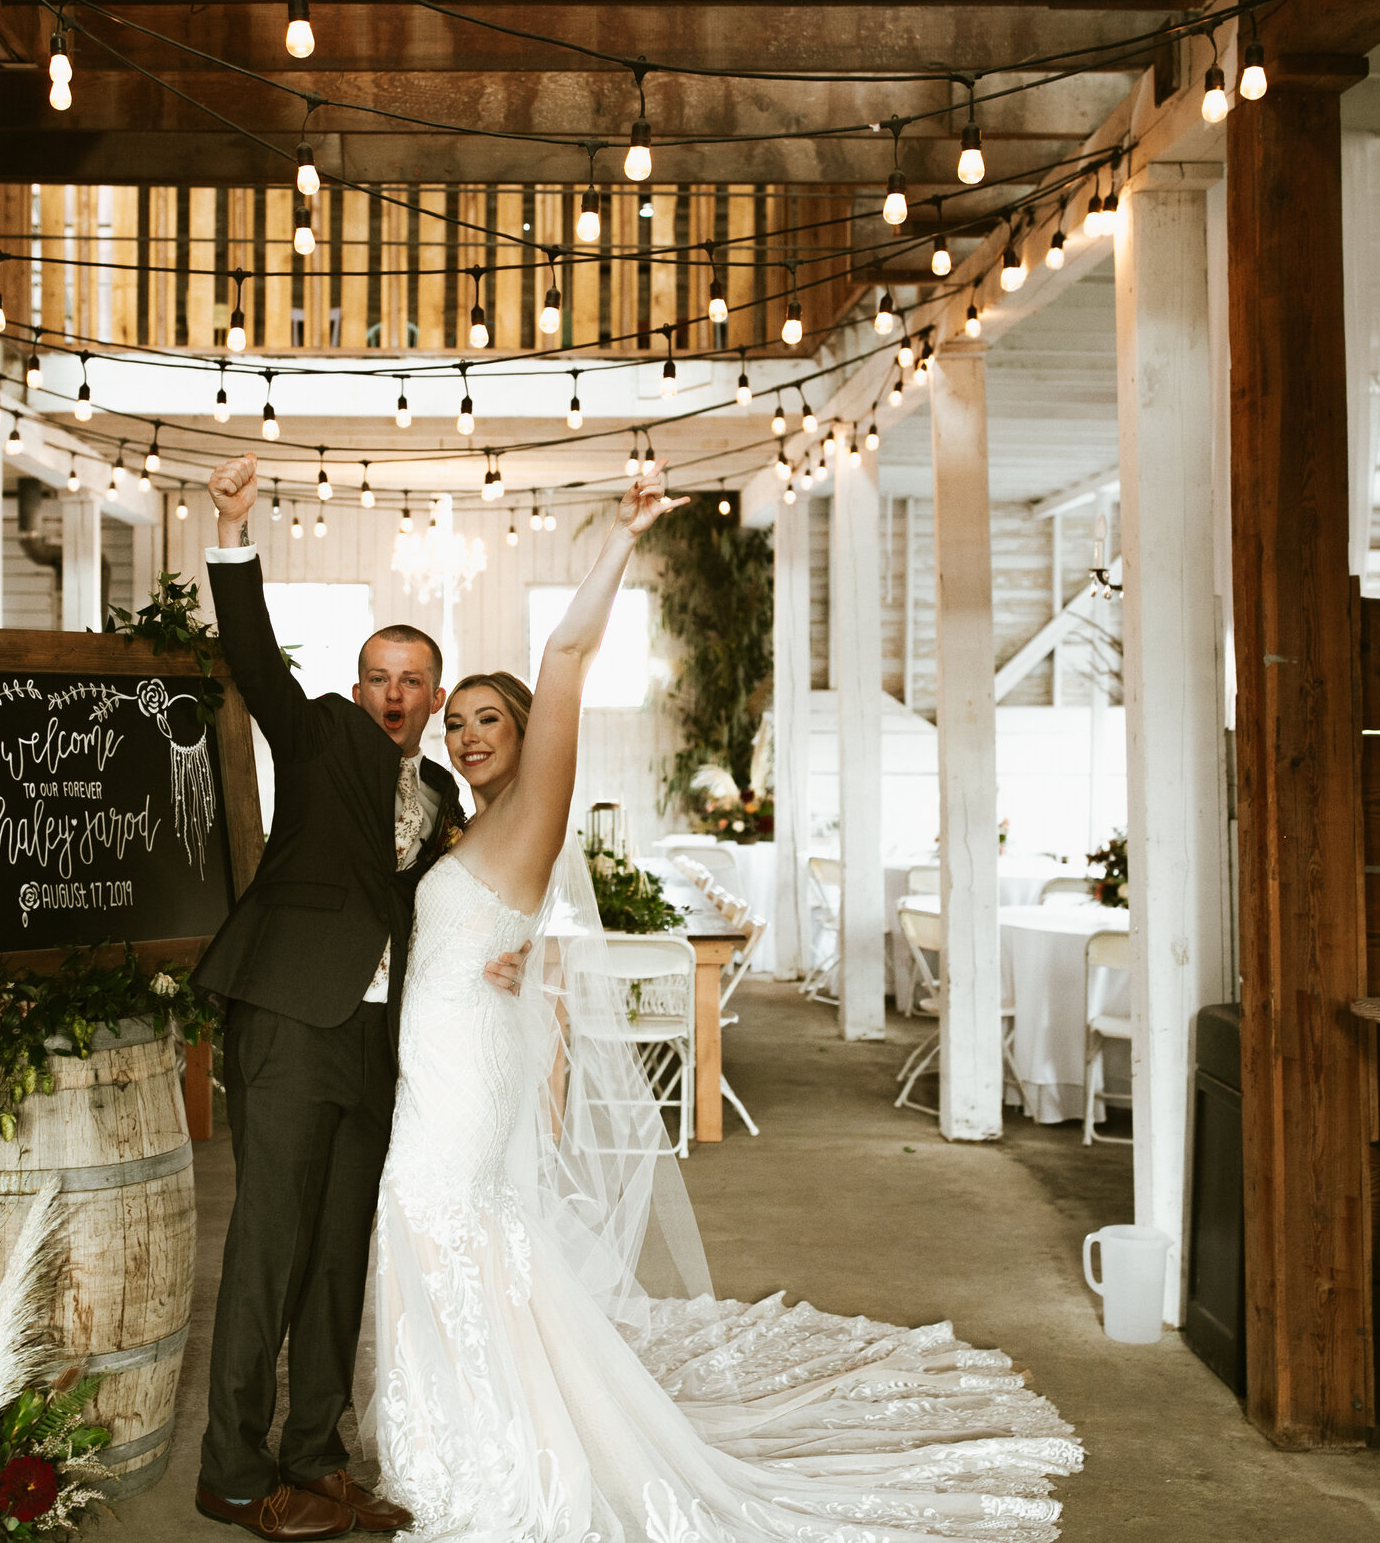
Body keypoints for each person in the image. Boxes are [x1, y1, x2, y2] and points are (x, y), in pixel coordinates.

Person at [360, 465, 1084, 1542]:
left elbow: (564, 656)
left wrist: (621, 531)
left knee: (438, 1224)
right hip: (451, 1058)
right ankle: (460, 1425)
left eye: (488, 719)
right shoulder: (469, 826)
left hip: (460, 1084)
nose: (466, 734)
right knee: (448, 1238)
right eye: (454, 720)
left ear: (526, 732)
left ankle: (490, 1448)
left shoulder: (528, 816)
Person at [190, 453, 523, 1542]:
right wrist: (236, 531)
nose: (392, 692)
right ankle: (233, 1475)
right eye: (378, 673)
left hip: (381, 1044)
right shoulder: (322, 732)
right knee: (268, 1248)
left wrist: (510, 951)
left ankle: (315, 1459)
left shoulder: (441, 792)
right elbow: (250, 659)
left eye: (411, 680)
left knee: (339, 1258)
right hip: (289, 1017)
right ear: (360, 681)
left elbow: (461, 896)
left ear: (434, 695)